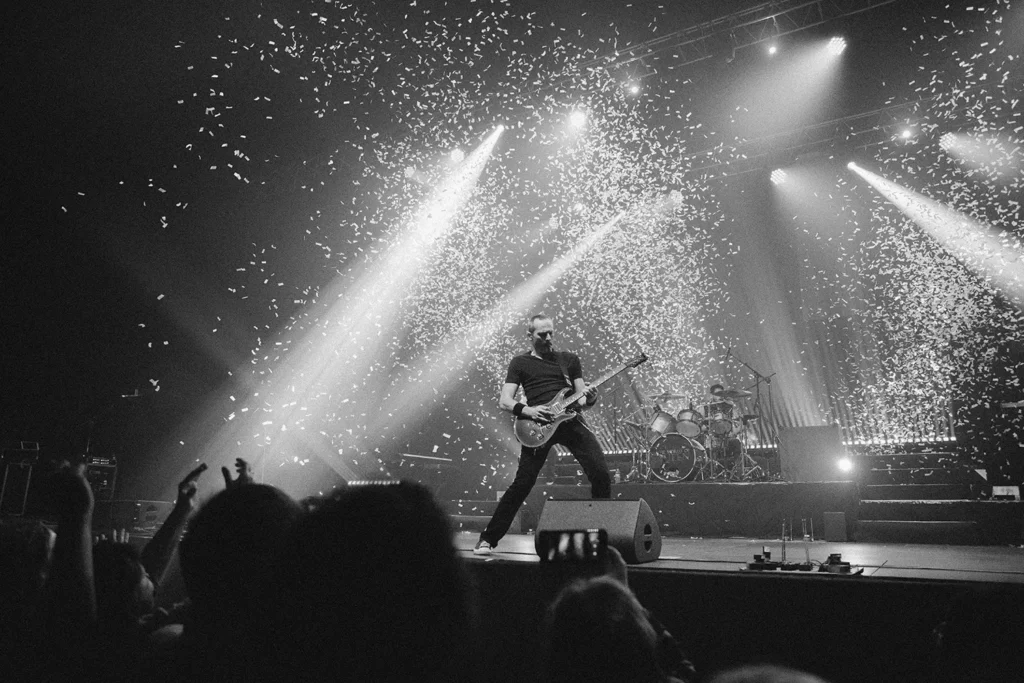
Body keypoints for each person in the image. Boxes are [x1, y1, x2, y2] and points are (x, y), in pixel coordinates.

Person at [475, 313, 610, 555]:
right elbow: (505, 401)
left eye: (551, 333)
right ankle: (487, 539)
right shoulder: (519, 363)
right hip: (537, 427)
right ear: (530, 336)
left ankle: (602, 539)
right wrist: (530, 411)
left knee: (601, 475)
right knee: (523, 483)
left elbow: (582, 401)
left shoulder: (569, 360)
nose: (548, 338)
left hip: (571, 422)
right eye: (542, 334)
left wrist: (591, 398)